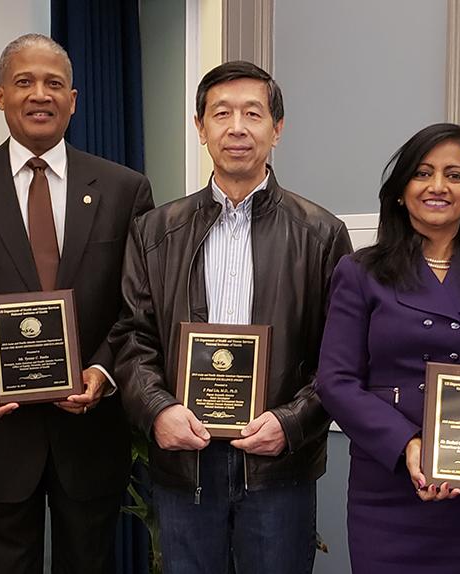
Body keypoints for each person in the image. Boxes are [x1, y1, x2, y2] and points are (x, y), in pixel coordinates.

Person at [0, 33, 153, 574]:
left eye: (54, 83)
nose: (39, 94)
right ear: (0, 96)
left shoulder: (125, 189)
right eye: (24, 82)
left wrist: (103, 370)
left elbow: (137, 306)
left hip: (90, 434)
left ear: (74, 99)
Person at [111, 60, 352, 573]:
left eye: (252, 113)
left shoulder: (321, 235)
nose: (237, 127)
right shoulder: (154, 233)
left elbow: (341, 356)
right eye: (221, 114)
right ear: (201, 128)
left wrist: (291, 423)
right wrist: (158, 411)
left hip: (277, 465)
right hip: (184, 463)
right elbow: (132, 339)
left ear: (277, 129)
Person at [315, 123, 460, 573]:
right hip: (389, 488)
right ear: (401, 191)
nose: (438, 186)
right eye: (422, 173)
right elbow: (336, 382)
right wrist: (408, 445)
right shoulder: (359, 272)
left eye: (454, 175)